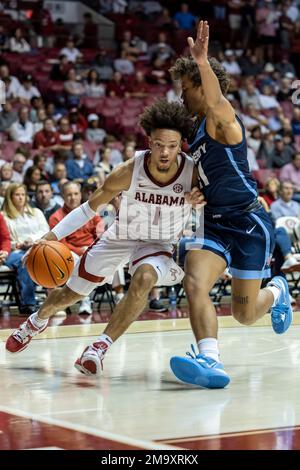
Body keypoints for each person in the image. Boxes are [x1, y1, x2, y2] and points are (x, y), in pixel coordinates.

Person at [6, 100, 204, 378]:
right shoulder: (128, 170)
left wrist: (199, 201)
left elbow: (214, 204)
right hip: (121, 236)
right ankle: (37, 320)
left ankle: (98, 347)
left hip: (158, 244)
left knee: (144, 277)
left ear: (181, 143)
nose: (165, 152)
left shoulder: (193, 172)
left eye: (172, 145)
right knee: (71, 294)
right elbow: (89, 208)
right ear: (149, 141)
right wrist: (50, 236)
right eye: (159, 144)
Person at [168, 21, 292, 389]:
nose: (181, 98)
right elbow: (205, 178)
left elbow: (215, 98)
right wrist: (196, 192)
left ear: (204, 88)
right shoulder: (196, 135)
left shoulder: (223, 120)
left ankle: (277, 291)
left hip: (250, 224)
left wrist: (202, 62)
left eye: (185, 90)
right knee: (194, 282)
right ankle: (210, 359)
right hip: (216, 224)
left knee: (245, 314)